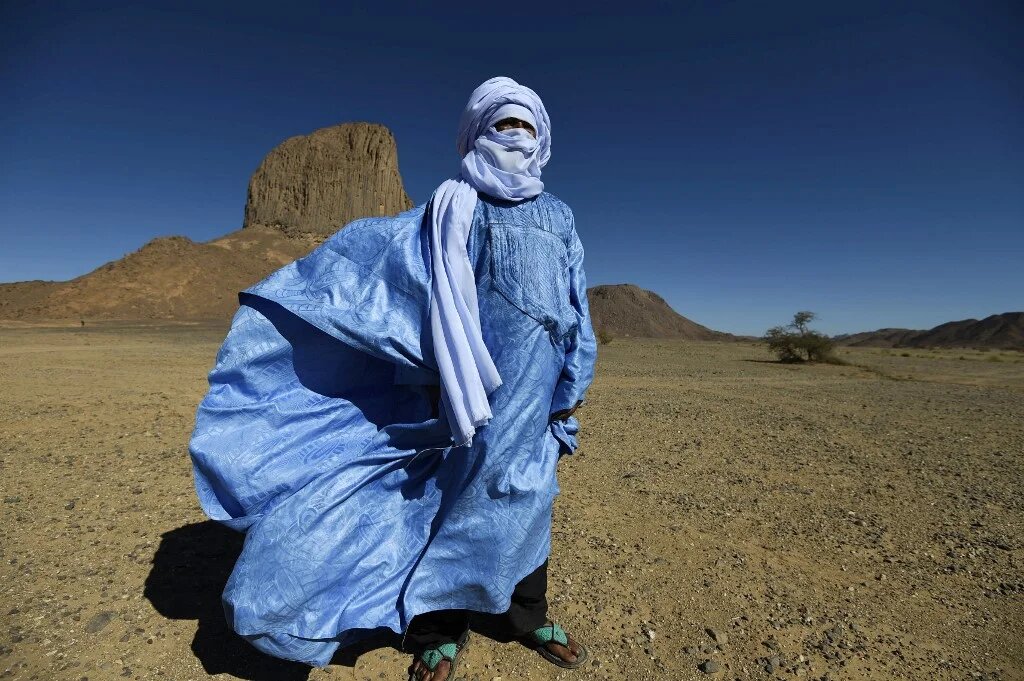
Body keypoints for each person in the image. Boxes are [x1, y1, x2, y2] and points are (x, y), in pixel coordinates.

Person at [188, 76, 598, 681]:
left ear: (541, 140)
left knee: (528, 501)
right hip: (463, 398)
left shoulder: (559, 216)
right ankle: (439, 628)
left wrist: (571, 389)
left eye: (525, 127)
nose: (514, 137)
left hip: (536, 399)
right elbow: (397, 279)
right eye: (501, 125)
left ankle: (523, 614)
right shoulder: (450, 209)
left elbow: (574, 308)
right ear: (478, 135)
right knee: (451, 502)